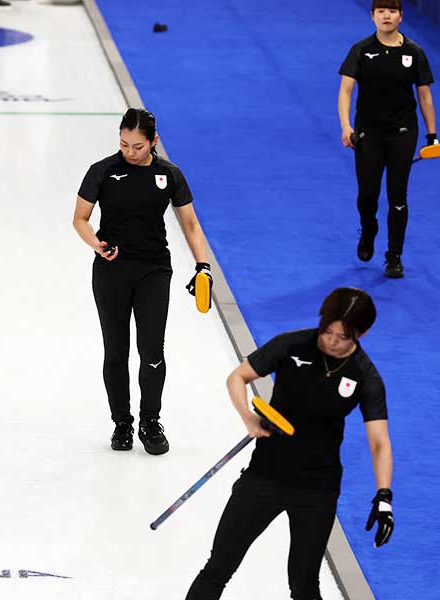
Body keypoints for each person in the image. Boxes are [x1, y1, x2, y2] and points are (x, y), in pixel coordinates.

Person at [185, 287, 394, 600]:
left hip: (317, 489)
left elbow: (379, 443)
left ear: (362, 334)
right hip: (264, 476)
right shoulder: (293, 344)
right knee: (218, 567)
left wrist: (384, 497)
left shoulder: (365, 376)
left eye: (343, 337)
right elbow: (238, 377)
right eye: (328, 331)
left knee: (304, 584)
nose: (332, 341)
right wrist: (248, 417)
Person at [72, 108, 210, 454]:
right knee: (115, 351)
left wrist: (203, 266)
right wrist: (97, 245)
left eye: (137, 146)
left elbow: (191, 224)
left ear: (154, 142)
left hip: (154, 270)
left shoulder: (169, 174)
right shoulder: (102, 171)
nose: (129, 152)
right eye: (123, 144)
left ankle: (150, 420)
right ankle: (122, 424)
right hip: (111, 270)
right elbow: (80, 219)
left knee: (151, 349)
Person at [338, 0, 436, 278]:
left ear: (401, 17)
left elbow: (425, 96)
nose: (386, 16)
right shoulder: (361, 50)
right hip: (368, 131)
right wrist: (346, 127)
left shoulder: (414, 53)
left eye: (392, 11)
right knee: (367, 196)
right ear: (372, 16)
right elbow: (346, 90)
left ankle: (394, 256)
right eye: (381, 11)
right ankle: (368, 229)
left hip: (402, 132)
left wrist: (432, 136)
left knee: (397, 195)